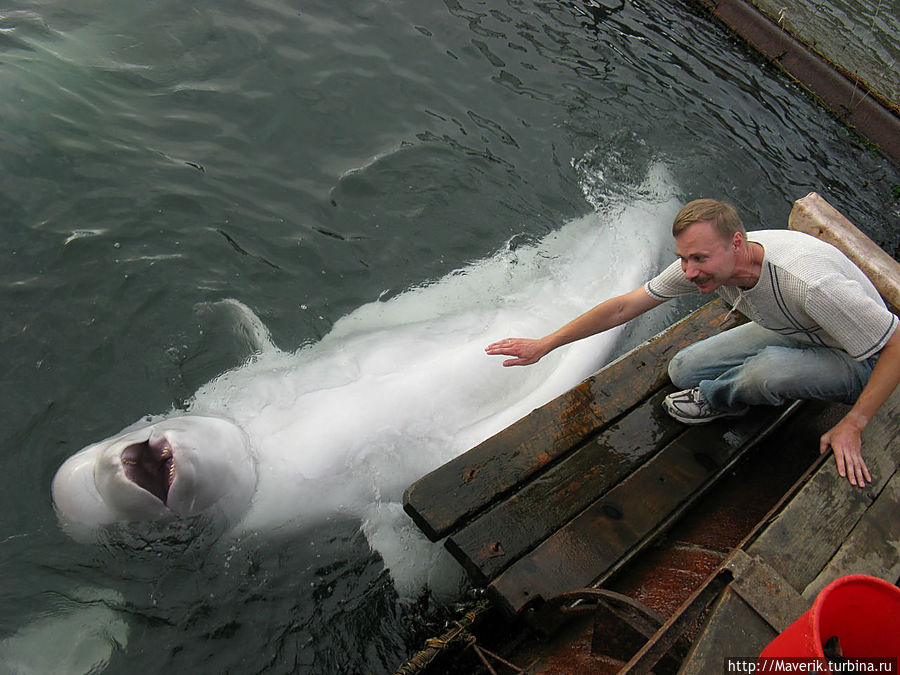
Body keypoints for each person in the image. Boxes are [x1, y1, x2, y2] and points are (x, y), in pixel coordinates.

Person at [485, 199, 900, 488]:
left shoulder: (810, 284)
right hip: (801, 329)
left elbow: (896, 343)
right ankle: (758, 377)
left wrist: (853, 423)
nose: (689, 271)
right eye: (684, 258)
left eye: (699, 259)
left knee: (768, 370)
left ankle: (722, 400)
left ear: (737, 243)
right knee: (683, 369)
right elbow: (623, 307)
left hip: (862, 358)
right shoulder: (707, 264)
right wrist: (546, 344)